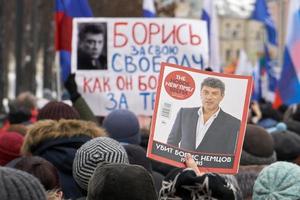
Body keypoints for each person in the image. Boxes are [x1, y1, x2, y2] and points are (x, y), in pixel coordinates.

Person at [167, 77, 241, 154]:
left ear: (222, 96)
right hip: (182, 165)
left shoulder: (233, 123)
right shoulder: (184, 113)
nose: (209, 97)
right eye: (206, 92)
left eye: (214, 93)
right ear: (200, 93)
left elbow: (230, 154)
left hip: (212, 166)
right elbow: (171, 143)